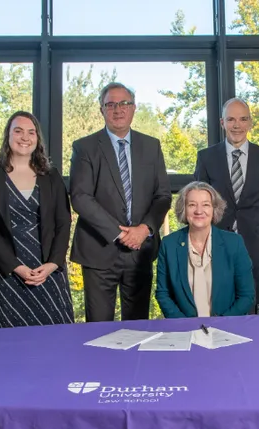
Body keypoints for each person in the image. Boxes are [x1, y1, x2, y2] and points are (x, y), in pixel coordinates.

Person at [155, 181, 255, 429]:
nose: (199, 210)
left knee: (214, 390)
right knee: (186, 389)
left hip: (222, 331)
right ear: (183, 210)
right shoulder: (170, 244)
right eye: (192, 204)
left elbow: (246, 294)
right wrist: (184, 325)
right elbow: (162, 293)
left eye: (205, 204)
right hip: (183, 331)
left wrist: (219, 326)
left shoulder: (232, 243)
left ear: (215, 210)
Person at [70, 82, 172, 322]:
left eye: (124, 103)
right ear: (102, 110)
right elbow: (80, 197)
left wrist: (144, 230)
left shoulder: (151, 146)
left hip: (140, 252)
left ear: (134, 108)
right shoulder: (84, 147)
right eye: (111, 104)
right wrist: (121, 233)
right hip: (99, 249)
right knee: (98, 327)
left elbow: (163, 196)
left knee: (137, 326)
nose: (118, 109)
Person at [0, 111, 74, 327]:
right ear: (7, 136)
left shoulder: (51, 176)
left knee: (56, 337)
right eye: (18, 131)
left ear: (37, 138)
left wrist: (53, 264)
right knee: (13, 341)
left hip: (49, 269)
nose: (25, 137)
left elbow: (63, 223)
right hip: (10, 270)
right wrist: (15, 267)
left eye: (31, 132)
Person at [194, 98, 259, 313]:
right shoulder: (206, 157)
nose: (236, 125)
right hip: (215, 241)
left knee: (251, 304)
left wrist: (254, 225)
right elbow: (198, 203)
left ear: (250, 122)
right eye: (231, 119)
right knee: (215, 304)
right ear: (222, 122)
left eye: (242, 119)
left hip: (252, 241)